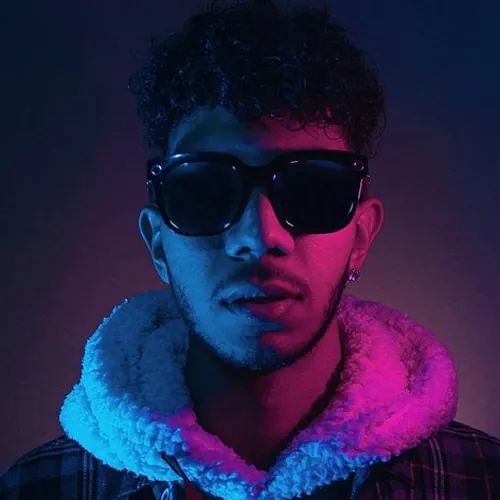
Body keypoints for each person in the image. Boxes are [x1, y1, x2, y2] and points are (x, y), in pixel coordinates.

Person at [2, 0, 500, 498]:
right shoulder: (38, 489)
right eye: (205, 191)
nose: (260, 238)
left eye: (312, 191)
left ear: (360, 238)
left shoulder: (481, 480)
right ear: (158, 245)